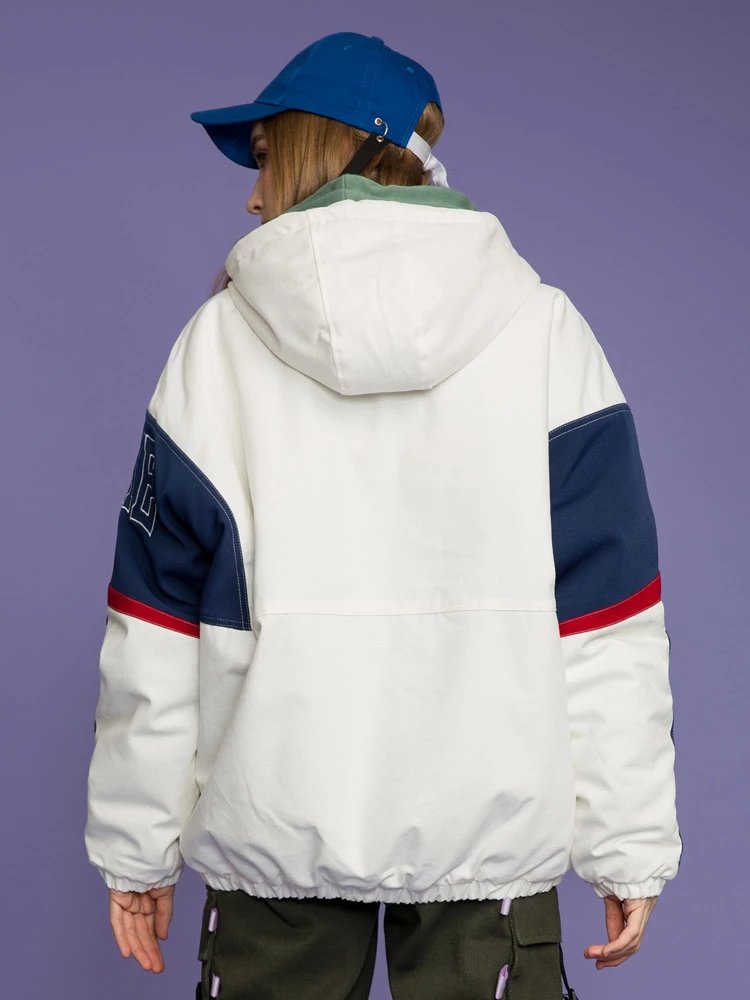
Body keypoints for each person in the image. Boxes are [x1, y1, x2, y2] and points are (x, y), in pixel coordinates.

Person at [83, 30, 683, 1000]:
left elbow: (156, 630)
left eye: (265, 157)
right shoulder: (545, 334)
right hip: (492, 841)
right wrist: (628, 842)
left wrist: (135, 844)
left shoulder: (215, 349)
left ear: (321, 149)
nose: (251, 196)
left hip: (272, 830)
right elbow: (608, 620)